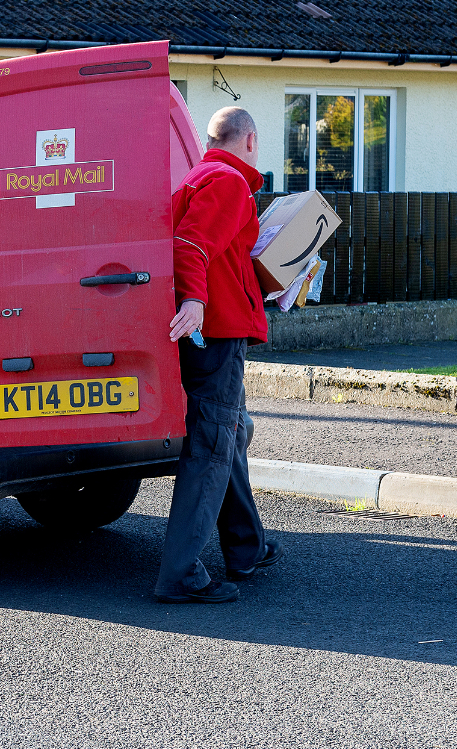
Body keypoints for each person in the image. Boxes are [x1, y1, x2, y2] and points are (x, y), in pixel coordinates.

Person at [154, 106, 283, 604]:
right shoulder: (228, 183)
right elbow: (189, 245)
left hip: (212, 331)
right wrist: (195, 300)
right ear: (249, 140)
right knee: (211, 445)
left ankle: (247, 548)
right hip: (216, 334)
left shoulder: (201, 177)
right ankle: (180, 575)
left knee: (228, 437)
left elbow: (208, 250)